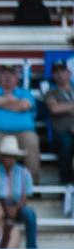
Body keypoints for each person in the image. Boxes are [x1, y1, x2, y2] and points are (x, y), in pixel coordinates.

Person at [0, 64, 39, 181]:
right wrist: (9, 100)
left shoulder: (25, 92)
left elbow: (23, 105)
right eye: (4, 74)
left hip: (23, 131)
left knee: (32, 142)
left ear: (17, 78)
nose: (8, 77)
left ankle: (32, 184)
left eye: (12, 74)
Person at [0, 135, 38, 249]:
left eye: (12, 156)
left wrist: (16, 208)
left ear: (16, 157)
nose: (9, 159)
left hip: (18, 205)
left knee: (30, 214)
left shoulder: (24, 173)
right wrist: (3, 208)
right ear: (2, 157)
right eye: (7, 156)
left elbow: (25, 196)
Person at [45, 61, 74, 189]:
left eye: (62, 71)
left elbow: (59, 107)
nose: (59, 74)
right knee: (67, 143)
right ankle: (65, 185)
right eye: (56, 72)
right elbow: (54, 109)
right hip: (62, 134)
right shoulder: (51, 93)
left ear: (69, 73)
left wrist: (65, 107)